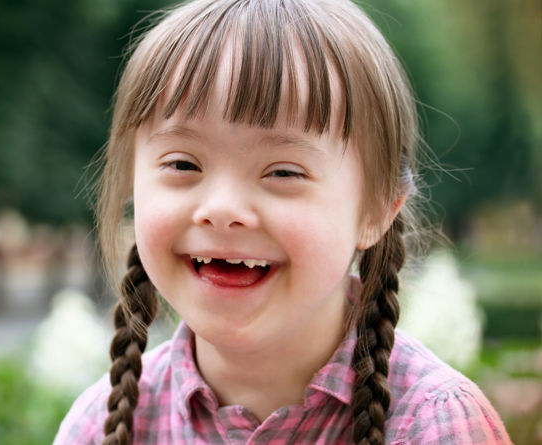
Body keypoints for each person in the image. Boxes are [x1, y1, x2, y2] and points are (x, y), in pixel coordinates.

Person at [55, 0, 511, 443]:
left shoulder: (438, 426)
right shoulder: (99, 425)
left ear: (376, 209)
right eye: (182, 164)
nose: (222, 208)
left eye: (284, 172)